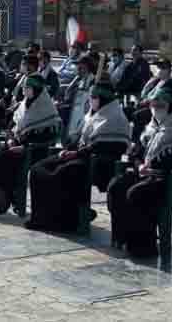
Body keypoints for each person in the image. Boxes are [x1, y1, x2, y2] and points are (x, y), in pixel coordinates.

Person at [107, 79, 172, 258]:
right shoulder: (153, 127)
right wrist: (139, 164)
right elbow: (137, 152)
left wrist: (155, 169)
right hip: (148, 174)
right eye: (153, 104)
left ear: (171, 106)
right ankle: (122, 237)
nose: (155, 108)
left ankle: (143, 246)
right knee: (117, 185)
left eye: (160, 105)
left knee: (137, 193)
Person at [25, 74, 131, 232]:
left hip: (98, 162)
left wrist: (77, 153)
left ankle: (66, 220)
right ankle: (42, 217)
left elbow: (106, 146)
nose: (91, 100)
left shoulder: (115, 117)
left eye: (94, 97)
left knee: (63, 172)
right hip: (80, 155)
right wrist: (69, 149)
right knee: (38, 169)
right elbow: (79, 137)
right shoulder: (93, 115)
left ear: (104, 98)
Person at [0, 73, 61, 217]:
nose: (24, 90)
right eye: (25, 87)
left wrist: (25, 146)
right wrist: (11, 138)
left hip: (33, 151)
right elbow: (11, 125)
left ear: (37, 89)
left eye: (28, 87)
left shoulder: (46, 108)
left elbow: (49, 136)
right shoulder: (23, 105)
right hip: (15, 145)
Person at [128, 58, 172, 144]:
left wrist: (148, 102)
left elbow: (165, 103)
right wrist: (150, 83)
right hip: (149, 106)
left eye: (163, 67)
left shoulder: (170, 83)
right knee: (127, 111)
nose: (159, 69)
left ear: (169, 70)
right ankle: (128, 138)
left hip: (160, 112)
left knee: (138, 115)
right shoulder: (158, 81)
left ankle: (137, 142)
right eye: (158, 67)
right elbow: (144, 94)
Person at [56, 55, 95, 146]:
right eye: (78, 68)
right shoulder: (80, 80)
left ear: (87, 68)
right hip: (74, 113)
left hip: (82, 117)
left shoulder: (91, 82)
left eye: (80, 68)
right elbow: (68, 93)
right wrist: (74, 81)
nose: (78, 70)